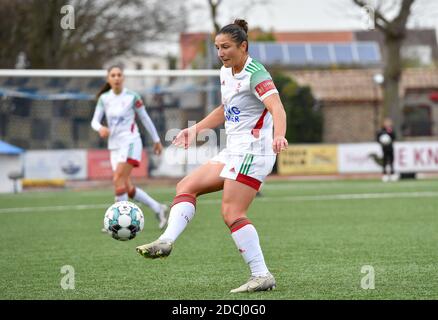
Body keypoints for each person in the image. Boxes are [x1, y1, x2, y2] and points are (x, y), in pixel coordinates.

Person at [136, 19, 288, 293]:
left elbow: (277, 108)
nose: (221, 53)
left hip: (254, 151)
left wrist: (279, 134)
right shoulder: (225, 72)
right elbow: (225, 108)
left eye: (226, 47)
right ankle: (166, 240)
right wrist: (194, 129)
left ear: (244, 46)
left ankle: (262, 275)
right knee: (186, 186)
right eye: (217, 47)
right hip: (233, 150)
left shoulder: (256, 74)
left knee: (232, 212)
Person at [91, 65, 169, 229]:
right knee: (125, 186)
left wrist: (156, 140)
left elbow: (145, 118)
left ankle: (120, 221)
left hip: (131, 142)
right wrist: (101, 128)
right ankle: (158, 208)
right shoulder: (104, 99)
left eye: (119, 75)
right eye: (113, 75)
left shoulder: (132, 97)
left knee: (117, 179)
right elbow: (95, 121)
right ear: (108, 79)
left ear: (123, 78)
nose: (117, 78)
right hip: (114, 146)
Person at [376, 118, 397, 182]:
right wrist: (381, 142)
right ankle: (384, 175)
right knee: (385, 161)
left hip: (390, 148)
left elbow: (394, 137)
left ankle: (392, 174)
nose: (387, 124)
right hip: (384, 148)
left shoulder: (391, 130)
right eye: (386, 123)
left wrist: (390, 133)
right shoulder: (381, 131)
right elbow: (378, 138)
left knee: (391, 161)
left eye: (389, 123)